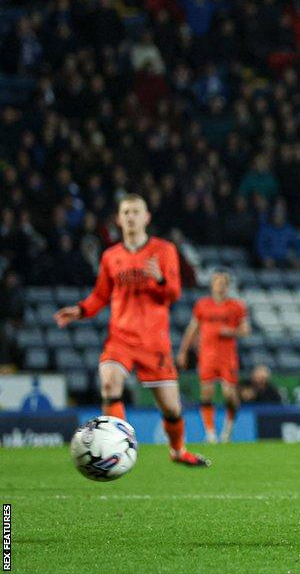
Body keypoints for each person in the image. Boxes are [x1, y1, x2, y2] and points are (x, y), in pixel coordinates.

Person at [54, 194, 210, 467]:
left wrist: (158, 279)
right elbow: (100, 296)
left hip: (154, 342)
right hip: (121, 338)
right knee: (109, 383)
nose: (130, 217)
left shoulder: (164, 250)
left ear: (147, 217)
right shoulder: (111, 256)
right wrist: (79, 310)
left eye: (136, 212)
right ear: (118, 218)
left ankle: (177, 451)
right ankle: (113, 448)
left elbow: (173, 293)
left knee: (172, 408)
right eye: (125, 212)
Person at [177, 271, 250, 443]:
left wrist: (231, 331)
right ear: (211, 285)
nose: (220, 285)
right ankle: (210, 433)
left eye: (223, 282)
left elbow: (246, 330)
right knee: (206, 394)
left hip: (228, 357)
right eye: (217, 281)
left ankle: (228, 427)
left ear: (227, 285)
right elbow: (192, 329)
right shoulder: (202, 305)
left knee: (229, 395)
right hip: (207, 356)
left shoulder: (237, 306)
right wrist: (183, 351)